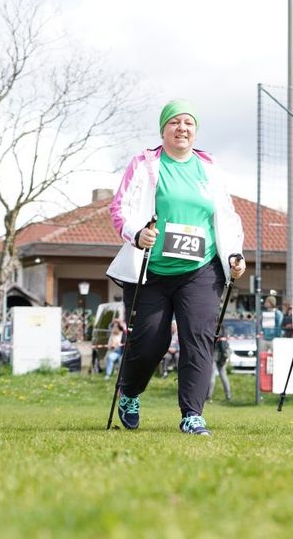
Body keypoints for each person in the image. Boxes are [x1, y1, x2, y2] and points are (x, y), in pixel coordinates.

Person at [107, 99, 246, 436]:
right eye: (175, 122)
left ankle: (192, 414)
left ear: (195, 131)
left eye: (188, 123)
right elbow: (120, 207)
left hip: (200, 270)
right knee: (150, 343)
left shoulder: (210, 169)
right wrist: (137, 234)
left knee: (198, 338)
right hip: (151, 270)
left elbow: (226, 217)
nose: (182, 128)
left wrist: (234, 255)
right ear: (163, 129)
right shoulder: (145, 165)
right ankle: (130, 391)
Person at [207, 336, 232, 402]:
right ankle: (228, 396)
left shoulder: (213, 327)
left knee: (212, 375)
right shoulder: (223, 329)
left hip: (214, 353)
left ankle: (209, 396)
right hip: (222, 355)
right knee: (223, 375)